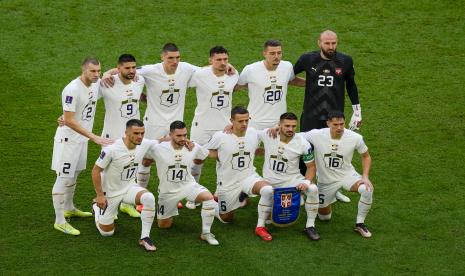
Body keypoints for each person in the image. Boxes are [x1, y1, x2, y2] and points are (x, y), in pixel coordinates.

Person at [294, 30, 362, 202]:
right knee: (306, 150)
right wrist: (308, 82)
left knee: (332, 151)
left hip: (334, 117)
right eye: (327, 43)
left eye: (334, 43)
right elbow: (288, 75)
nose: (331, 47)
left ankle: (332, 187)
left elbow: (351, 85)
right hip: (311, 114)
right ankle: (303, 187)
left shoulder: (345, 61)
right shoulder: (307, 59)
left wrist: (357, 111)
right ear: (319, 43)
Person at [51, 57, 113, 235]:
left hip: (80, 141)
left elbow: (110, 76)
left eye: (98, 71)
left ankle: (69, 207)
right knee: (63, 178)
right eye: (92, 71)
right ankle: (60, 220)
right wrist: (93, 136)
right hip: (68, 141)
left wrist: (110, 72)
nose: (96, 75)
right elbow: (69, 120)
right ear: (83, 70)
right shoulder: (72, 89)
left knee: (75, 174)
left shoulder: (95, 84)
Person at [205, 106, 274, 241]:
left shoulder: (253, 132)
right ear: (232, 120)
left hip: (249, 176)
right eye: (240, 121)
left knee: (268, 190)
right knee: (226, 219)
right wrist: (220, 156)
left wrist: (276, 126)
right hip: (228, 182)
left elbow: (271, 132)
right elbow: (206, 151)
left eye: (247, 120)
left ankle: (260, 227)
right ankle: (212, 202)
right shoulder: (220, 136)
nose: (244, 124)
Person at [300, 111, 374, 238]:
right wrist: (276, 128)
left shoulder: (355, 137)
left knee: (367, 189)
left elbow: (366, 156)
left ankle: (360, 224)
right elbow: (295, 136)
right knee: (324, 217)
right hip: (326, 180)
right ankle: (332, 195)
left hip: (347, 176)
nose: (339, 128)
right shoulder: (316, 134)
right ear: (328, 123)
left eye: (342, 124)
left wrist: (365, 176)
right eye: (335, 124)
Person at [145, 121, 219, 245]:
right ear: (170, 135)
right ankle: (169, 209)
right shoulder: (158, 149)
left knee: (208, 198)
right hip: (167, 191)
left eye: (185, 135)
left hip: (188, 186)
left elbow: (208, 154)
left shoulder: (192, 147)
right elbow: (141, 151)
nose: (183, 138)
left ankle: (206, 233)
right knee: (164, 225)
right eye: (179, 136)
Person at [91, 119, 157, 251]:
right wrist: (99, 195)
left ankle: (145, 237)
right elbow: (95, 171)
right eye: (136, 133)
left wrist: (186, 141)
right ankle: (97, 209)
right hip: (111, 193)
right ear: (126, 133)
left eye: (142, 133)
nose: (140, 136)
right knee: (107, 233)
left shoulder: (143, 143)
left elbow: (162, 140)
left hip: (130, 188)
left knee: (149, 198)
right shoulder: (111, 149)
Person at [98, 54, 145, 218]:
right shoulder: (106, 84)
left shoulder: (139, 80)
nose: (132, 71)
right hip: (112, 137)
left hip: (133, 136)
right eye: (127, 68)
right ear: (118, 69)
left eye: (133, 67)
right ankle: (107, 203)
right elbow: (87, 100)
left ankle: (126, 204)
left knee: (131, 167)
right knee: (107, 170)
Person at [259, 112, 320, 240]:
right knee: (267, 193)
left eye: (293, 126)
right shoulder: (268, 134)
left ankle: (310, 226)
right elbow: (248, 133)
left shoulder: (303, 143)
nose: (290, 129)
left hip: (292, 179)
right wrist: (231, 126)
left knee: (313, 189)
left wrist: (307, 182)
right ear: (279, 124)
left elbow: (311, 167)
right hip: (269, 180)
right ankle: (260, 226)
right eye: (287, 126)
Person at [188, 46, 239, 191]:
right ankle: (193, 192)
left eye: (225, 59)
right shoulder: (199, 75)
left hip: (224, 126)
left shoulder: (233, 75)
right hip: (202, 125)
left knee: (224, 158)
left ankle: (220, 192)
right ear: (210, 60)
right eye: (218, 60)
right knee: (197, 158)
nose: (223, 63)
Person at [236, 40, 305, 130]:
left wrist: (313, 82)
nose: (276, 57)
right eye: (272, 53)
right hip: (255, 122)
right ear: (264, 53)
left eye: (279, 53)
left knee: (279, 144)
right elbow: (238, 85)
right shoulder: (250, 69)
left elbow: (291, 80)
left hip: (279, 122)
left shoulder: (287, 67)